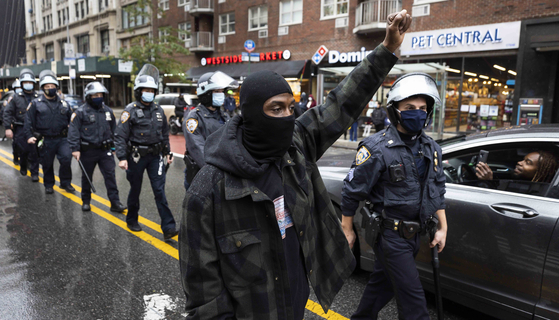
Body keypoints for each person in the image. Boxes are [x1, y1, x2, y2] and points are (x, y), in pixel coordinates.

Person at [179, 9, 411, 319]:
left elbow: (342, 102)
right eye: (276, 109)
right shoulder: (207, 190)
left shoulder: (296, 146)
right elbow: (202, 293)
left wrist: (386, 50)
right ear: (250, 115)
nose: (287, 117)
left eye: (291, 107)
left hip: (294, 303)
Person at [340, 72, 447, 320]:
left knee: (383, 284)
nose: (417, 112)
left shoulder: (432, 148)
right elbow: (352, 190)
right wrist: (347, 229)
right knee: (414, 304)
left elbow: (437, 188)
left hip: (415, 234)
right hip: (389, 235)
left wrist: (443, 227)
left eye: (422, 107)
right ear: (395, 110)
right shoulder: (375, 148)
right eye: (410, 107)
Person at [114, 64, 178, 240]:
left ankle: (168, 227)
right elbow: (120, 135)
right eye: (146, 90)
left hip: (155, 156)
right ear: (139, 91)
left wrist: (168, 152)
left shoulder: (158, 110)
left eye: (152, 90)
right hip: (135, 157)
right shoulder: (130, 110)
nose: (149, 92)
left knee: (159, 191)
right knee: (135, 189)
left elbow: (164, 134)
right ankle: (132, 219)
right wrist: (121, 157)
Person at [67, 81, 127, 213]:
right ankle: (86, 201)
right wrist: (75, 149)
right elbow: (73, 131)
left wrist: (116, 147)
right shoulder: (80, 112)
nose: (98, 97)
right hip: (88, 151)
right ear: (88, 96)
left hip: (105, 150)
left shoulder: (108, 111)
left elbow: (114, 130)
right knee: (87, 177)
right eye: (95, 95)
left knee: (110, 176)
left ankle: (115, 203)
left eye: (100, 95)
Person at [183, 71, 237, 189]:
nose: (221, 94)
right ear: (206, 93)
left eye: (222, 91)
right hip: (201, 174)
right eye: (217, 91)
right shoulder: (194, 118)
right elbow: (198, 149)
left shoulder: (224, 115)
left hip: (223, 173)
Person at [24, 70, 74, 194]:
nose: (50, 89)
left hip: (62, 139)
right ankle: (49, 184)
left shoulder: (64, 103)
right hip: (45, 139)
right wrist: (29, 136)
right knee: (47, 163)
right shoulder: (35, 103)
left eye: (52, 87)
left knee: (66, 159)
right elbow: (28, 121)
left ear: (56, 88)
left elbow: (73, 120)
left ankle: (65, 183)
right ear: (42, 88)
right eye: (47, 87)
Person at [4, 74, 40, 175]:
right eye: (25, 83)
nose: (28, 84)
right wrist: (7, 127)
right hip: (21, 127)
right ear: (22, 84)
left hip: (35, 128)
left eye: (30, 82)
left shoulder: (38, 97)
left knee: (35, 151)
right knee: (23, 149)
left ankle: (34, 173)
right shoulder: (15, 98)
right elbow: (7, 112)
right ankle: (23, 165)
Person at [476, 150, 558, 183]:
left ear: (540, 172)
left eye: (528, 162)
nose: (519, 162)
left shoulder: (537, 193)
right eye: (523, 159)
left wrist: (488, 182)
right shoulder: (521, 183)